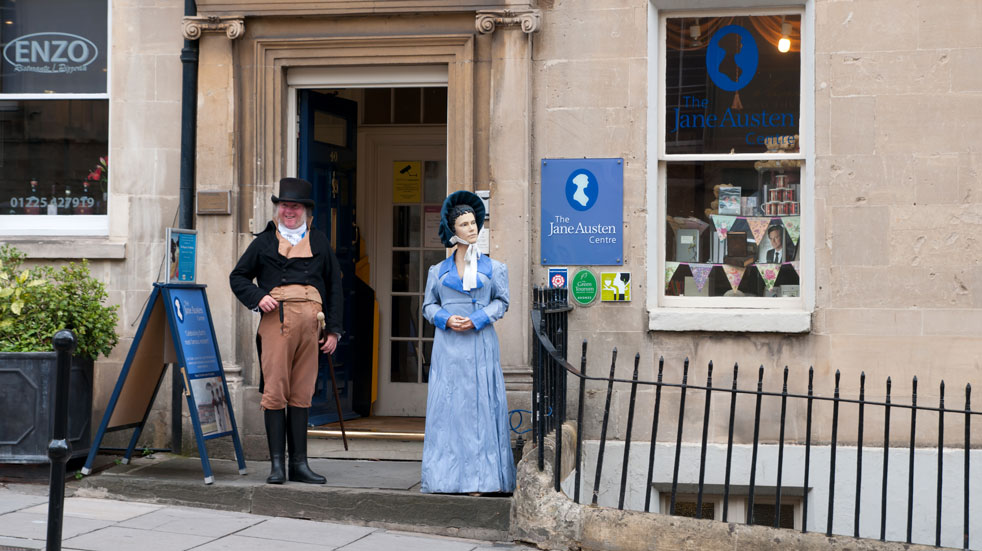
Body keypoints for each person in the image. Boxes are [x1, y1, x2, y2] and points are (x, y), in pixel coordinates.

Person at [229, 177, 343, 485]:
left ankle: (300, 465)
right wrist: (258, 298)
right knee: (276, 391)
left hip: (312, 327)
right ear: (278, 209)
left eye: (294, 206)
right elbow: (238, 277)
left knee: (302, 392)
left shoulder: (319, 241)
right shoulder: (263, 242)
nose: (288, 211)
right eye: (284, 206)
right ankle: (277, 465)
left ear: (306, 210)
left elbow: (334, 286)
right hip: (276, 323)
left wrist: (333, 330)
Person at [420, 190, 516, 495]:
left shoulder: (495, 269)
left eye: (474, 222)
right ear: (453, 230)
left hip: (480, 344)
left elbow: (502, 302)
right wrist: (446, 319)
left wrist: (477, 319)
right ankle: (445, 479)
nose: (472, 228)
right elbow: (427, 306)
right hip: (448, 347)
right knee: (449, 411)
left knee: (481, 410)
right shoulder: (438, 271)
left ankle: (482, 481)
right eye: (464, 224)